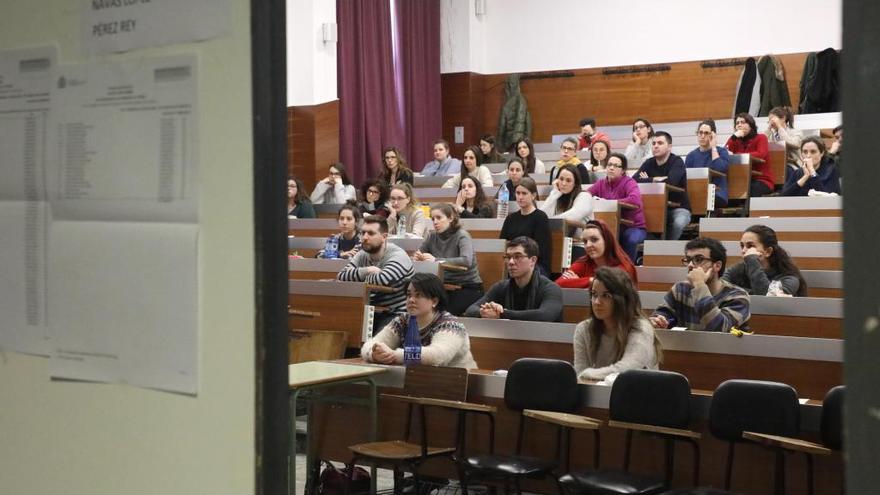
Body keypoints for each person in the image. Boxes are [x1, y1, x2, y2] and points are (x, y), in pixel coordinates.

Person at [360, 272, 478, 368]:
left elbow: (437, 356)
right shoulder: (402, 321)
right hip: (421, 382)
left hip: (459, 385)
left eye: (418, 295)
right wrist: (374, 355)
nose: (411, 300)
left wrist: (394, 355)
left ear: (435, 301)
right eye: (408, 295)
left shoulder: (450, 325)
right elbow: (370, 345)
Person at [573, 266, 661, 381]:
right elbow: (580, 377)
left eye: (606, 295)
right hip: (598, 395)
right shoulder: (583, 329)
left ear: (622, 300)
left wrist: (589, 373)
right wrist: (586, 375)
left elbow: (629, 369)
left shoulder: (641, 327)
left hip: (638, 394)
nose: (597, 302)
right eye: (594, 294)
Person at [649, 237, 751, 333]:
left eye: (698, 260)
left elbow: (719, 329)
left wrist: (699, 285)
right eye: (688, 260)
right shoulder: (680, 289)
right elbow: (663, 313)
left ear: (717, 266)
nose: (690, 265)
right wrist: (658, 320)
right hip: (688, 349)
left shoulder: (738, 296)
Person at [338, 216, 415, 332]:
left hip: (395, 313)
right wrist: (368, 270)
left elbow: (382, 279)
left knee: (375, 345)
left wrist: (357, 277)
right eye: (363, 233)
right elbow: (342, 276)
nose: (364, 237)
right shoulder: (363, 254)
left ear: (384, 237)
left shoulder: (398, 255)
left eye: (370, 233)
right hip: (369, 310)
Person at [464, 236, 563, 322]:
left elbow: (545, 315)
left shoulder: (551, 288)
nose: (511, 262)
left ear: (533, 260)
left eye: (517, 257)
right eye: (508, 257)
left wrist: (502, 314)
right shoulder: (500, 287)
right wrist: (484, 312)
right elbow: (470, 310)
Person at [413, 204, 484, 315]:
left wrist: (436, 260)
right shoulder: (432, 236)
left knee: (441, 314)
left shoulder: (462, 235)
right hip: (443, 286)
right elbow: (420, 252)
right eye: (433, 219)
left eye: (439, 218)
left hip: (467, 287)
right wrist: (418, 257)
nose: (435, 222)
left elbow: (466, 261)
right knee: (420, 308)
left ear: (451, 218)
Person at [588, 153, 647, 263]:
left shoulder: (629, 182)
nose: (611, 168)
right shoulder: (601, 183)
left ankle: (627, 270)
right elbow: (585, 195)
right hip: (611, 225)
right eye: (609, 164)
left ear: (623, 170)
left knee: (629, 238)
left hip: (633, 227)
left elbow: (635, 200)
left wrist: (610, 203)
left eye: (616, 166)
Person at [723, 224, 808, 296]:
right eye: (742, 246)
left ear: (768, 251)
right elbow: (720, 288)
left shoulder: (789, 278)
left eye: (750, 246)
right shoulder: (739, 268)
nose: (743, 251)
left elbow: (765, 299)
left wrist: (752, 261)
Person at [635, 131, 691, 240]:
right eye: (654, 143)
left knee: (678, 223)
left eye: (660, 143)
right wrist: (654, 179)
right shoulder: (649, 163)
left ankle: (667, 249)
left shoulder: (677, 162)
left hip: (677, 208)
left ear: (669, 147)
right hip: (655, 208)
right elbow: (634, 181)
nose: (656, 146)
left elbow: (671, 182)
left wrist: (646, 180)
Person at [556, 220, 637, 289]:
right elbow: (558, 284)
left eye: (594, 239)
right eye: (585, 241)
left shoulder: (624, 265)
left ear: (607, 240)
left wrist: (579, 282)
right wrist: (593, 281)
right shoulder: (583, 262)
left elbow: (613, 285)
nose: (588, 245)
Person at [500, 177, 552, 276]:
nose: (520, 197)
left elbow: (540, 250)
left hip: (534, 265)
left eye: (524, 193)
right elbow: (503, 243)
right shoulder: (510, 218)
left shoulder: (540, 217)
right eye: (518, 193)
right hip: (513, 262)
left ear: (533, 196)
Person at [540, 164, 594, 260]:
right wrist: (555, 193)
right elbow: (541, 216)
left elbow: (574, 216)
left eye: (568, 180)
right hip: (558, 244)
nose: (563, 183)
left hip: (580, 246)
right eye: (561, 179)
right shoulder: (557, 197)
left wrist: (547, 220)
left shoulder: (584, 196)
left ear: (575, 183)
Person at [726, 113, 774, 197]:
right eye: (737, 123)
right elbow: (725, 153)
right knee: (727, 191)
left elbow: (760, 154)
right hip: (741, 180)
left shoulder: (761, 138)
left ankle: (746, 210)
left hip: (761, 180)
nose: (739, 125)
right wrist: (734, 137)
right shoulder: (735, 141)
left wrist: (737, 154)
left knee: (750, 190)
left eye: (743, 122)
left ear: (751, 125)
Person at [685, 119, 730, 208]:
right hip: (696, 193)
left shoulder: (722, 152)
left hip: (717, 193)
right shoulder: (691, 156)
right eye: (700, 133)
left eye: (706, 133)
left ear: (712, 135)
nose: (702, 136)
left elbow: (720, 169)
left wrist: (713, 147)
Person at [764, 106, 804, 180]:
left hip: (793, 165)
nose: (771, 122)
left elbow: (794, 144)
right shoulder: (770, 135)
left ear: (783, 118)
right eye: (769, 120)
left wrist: (779, 127)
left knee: (785, 171)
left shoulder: (796, 132)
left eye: (773, 119)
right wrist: (768, 129)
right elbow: (762, 144)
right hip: (775, 165)